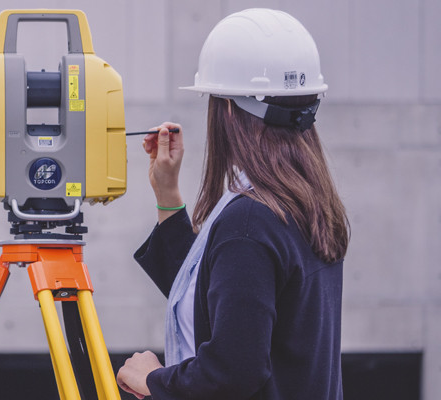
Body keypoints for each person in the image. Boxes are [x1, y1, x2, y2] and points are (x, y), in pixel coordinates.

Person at [116, 8, 349, 400]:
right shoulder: (306, 203)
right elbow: (230, 303)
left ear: (226, 109)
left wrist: (153, 380)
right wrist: (168, 197)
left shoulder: (250, 222)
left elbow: (234, 370)